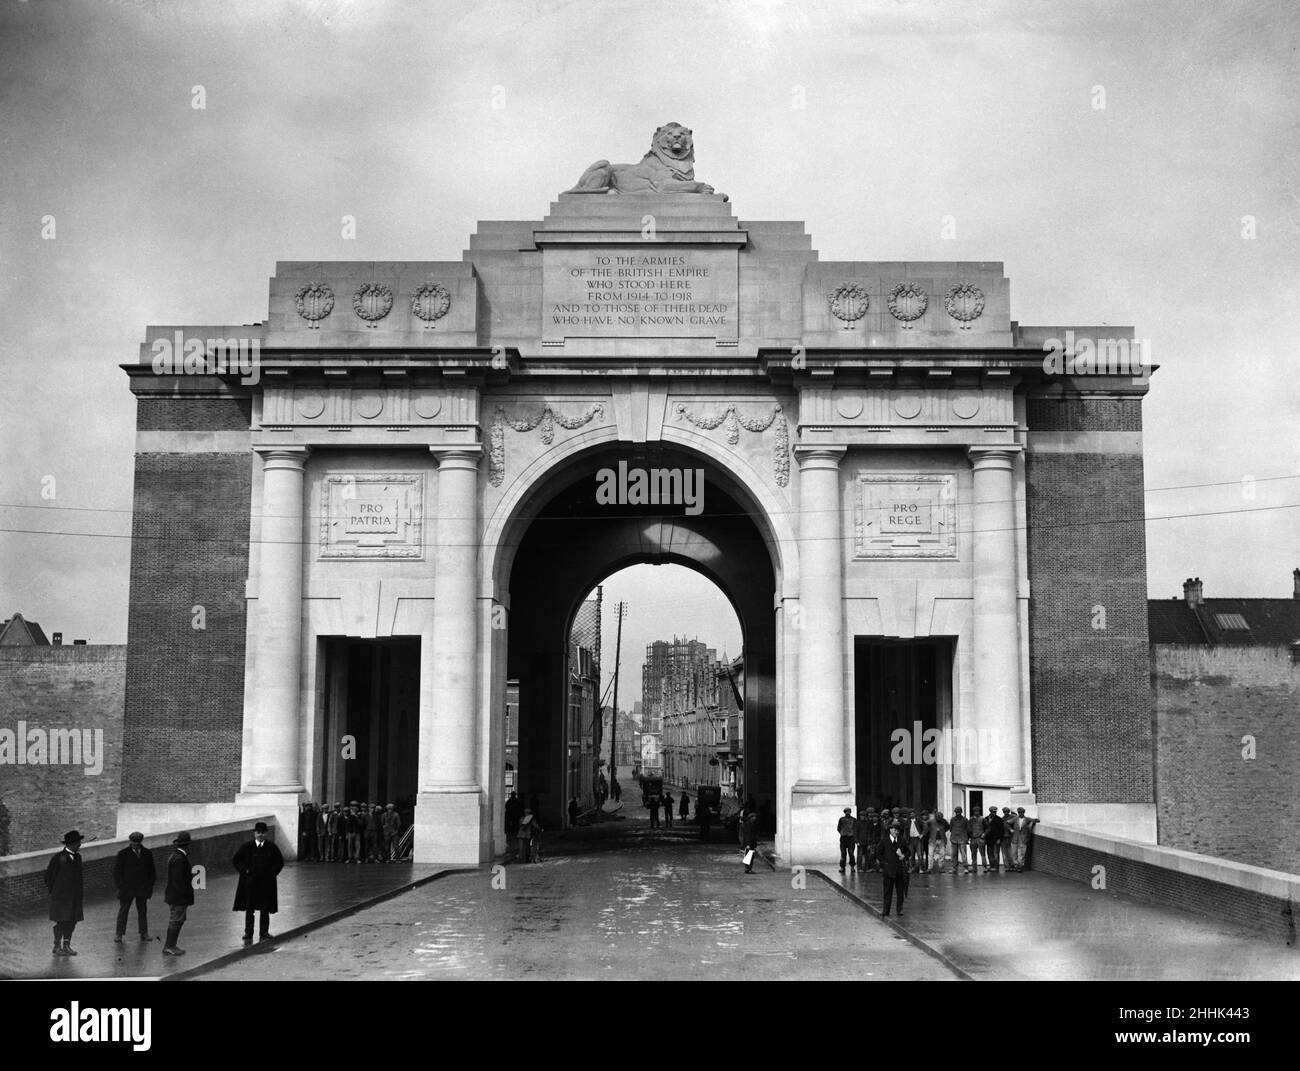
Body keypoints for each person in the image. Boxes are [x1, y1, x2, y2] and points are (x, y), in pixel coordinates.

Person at [232, 821, 284, 942]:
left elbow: (279, 863)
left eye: (263, 832)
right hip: (250, 883)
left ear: (266, 834)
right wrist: (245, 871)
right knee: (250, 908)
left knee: (265, 908)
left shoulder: (271, 847)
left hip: (266, 884)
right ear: (254, 833)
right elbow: (236, 860)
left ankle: (264, 932)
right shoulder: (247, 847)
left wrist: (271, 874)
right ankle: (248, 932)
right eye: (258, 832)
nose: (260, 835)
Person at [45, 830, 85, 957]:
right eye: (78, 842)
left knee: (72, 921)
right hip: (61, 898)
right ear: (71, 843)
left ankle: (66, 945)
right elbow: (49, 877)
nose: (80, 845)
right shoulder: (58, 858)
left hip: (74, 897)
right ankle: (57, 946)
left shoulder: (78, 857)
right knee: (62, 922)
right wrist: (56, 893)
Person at [113, 831, 156, 942]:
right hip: (127, 889)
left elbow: (152, 871)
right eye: (134, 841)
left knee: (142, 911)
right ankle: (119, 934)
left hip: (142, 888)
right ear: (130, 841)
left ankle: (144, 933)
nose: (136, 843)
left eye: (138, 841)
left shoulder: (147, 853)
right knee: (123, 911)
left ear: (141, 841)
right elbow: (117, 872)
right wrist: (121, 886)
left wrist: (149, 885)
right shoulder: (122, 854)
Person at [162, 830, 194, 956]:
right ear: (187, 845)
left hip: (174, 896)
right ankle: (170, 946)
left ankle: (171, 946)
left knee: (176, 920)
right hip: (178, 897)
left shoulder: (175, 856)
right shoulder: (180, 859)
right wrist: (185, 895)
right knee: (176, 921)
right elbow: (178, 881)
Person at [879, 820, 910, 917]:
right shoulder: (884, 840)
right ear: (890, 830)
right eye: (894, 830)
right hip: (888, 870)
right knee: (887, 891)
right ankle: (886, 910)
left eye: (898, 830)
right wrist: (884, 863)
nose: (896, 832)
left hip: (899, 870)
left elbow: (908, 852)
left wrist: (903, 856)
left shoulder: (902, 840)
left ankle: (899, 909)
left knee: (900, 891)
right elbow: (878, 853)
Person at [1012, 807, 1038, 871]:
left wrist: (1032, 823)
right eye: (1019, 812)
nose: (1021, 813)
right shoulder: (1015, 819)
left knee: (1021, 853)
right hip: (1015, 838)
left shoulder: (1027, 819)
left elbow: (1036, 820)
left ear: (1024, 812)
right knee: (1014, 853)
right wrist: (1011, 830)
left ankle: (1020, 866)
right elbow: (1007, 822)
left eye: (1022, 812)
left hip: (1023, 839)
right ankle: (1016, 866)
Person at [948, 807, 971, 874]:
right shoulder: (952, 819)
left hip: (962, 839)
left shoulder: (965, 820)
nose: (957, 813)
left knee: (963, 854)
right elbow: (950, 828)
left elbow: (968, 829)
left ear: (961, 812)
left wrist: (967, 838)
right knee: (954, 854)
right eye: (956, 812)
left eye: (959, 812)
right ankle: (954, 868)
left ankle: (966, 867)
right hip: (954, 839)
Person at [984, 806, 1004, 873]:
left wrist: (999, 839)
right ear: (990, 811)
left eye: (995, 812)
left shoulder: (999, 819)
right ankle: (991, 866)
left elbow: (1001, 830)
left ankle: (996, 867)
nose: (994, 813)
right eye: (993, 812)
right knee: (990, 854)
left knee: (996, 854)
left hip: (996, 839)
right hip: (988, 839)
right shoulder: (986, 819)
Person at [836, 808, 856, 874]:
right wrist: (842, 832)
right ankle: (842, 867)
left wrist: (852, 833)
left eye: (849, 812)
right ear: (844, 812)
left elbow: (855, 828)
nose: (848, 813)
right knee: (843, 854)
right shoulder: (841, 819)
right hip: (843, 838)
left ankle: (852, 866)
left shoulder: (853, 819)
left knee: (851, 853)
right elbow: (838, 828)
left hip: (851, 838)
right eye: (846, 812)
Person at [1000, 808, 1018, 872]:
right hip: (1003, 838)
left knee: (1011, 852)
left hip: (1011, 837)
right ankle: (1007, 866)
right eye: (1004, 812)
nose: (1006, 813)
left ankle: (1013, 865)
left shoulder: (1013, 818)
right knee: (1004, 853)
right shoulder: (1002, 819)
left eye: (1007, 812)